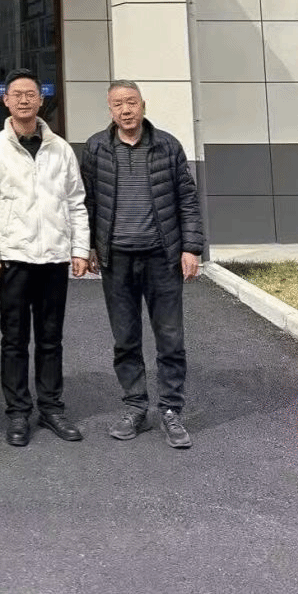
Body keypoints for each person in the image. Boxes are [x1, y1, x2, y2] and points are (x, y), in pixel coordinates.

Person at [81, 80, 204, 450]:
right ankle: (135, 406)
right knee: (125, 339)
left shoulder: (168, 146)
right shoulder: (96, 148)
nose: (126, 110)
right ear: (110, 110)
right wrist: (88, 246)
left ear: (143, 105)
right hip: (116, 259)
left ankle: (171, 410)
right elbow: (87, 202)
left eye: (131, 102)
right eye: (118, 104)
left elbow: (187, 199)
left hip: (162, 258)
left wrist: (191, 247)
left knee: (170, 338)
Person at [0, 70, 90, 449]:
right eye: (17, 94)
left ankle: (52, 407)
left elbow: (76, 201)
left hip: (54, 257)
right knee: (14, 339)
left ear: (41, 100)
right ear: (5, 101)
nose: (24, 100)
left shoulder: (61, 149)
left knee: (50, 337)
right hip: (13, 259)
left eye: (31, 94)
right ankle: (18, 412)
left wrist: (79, 249)